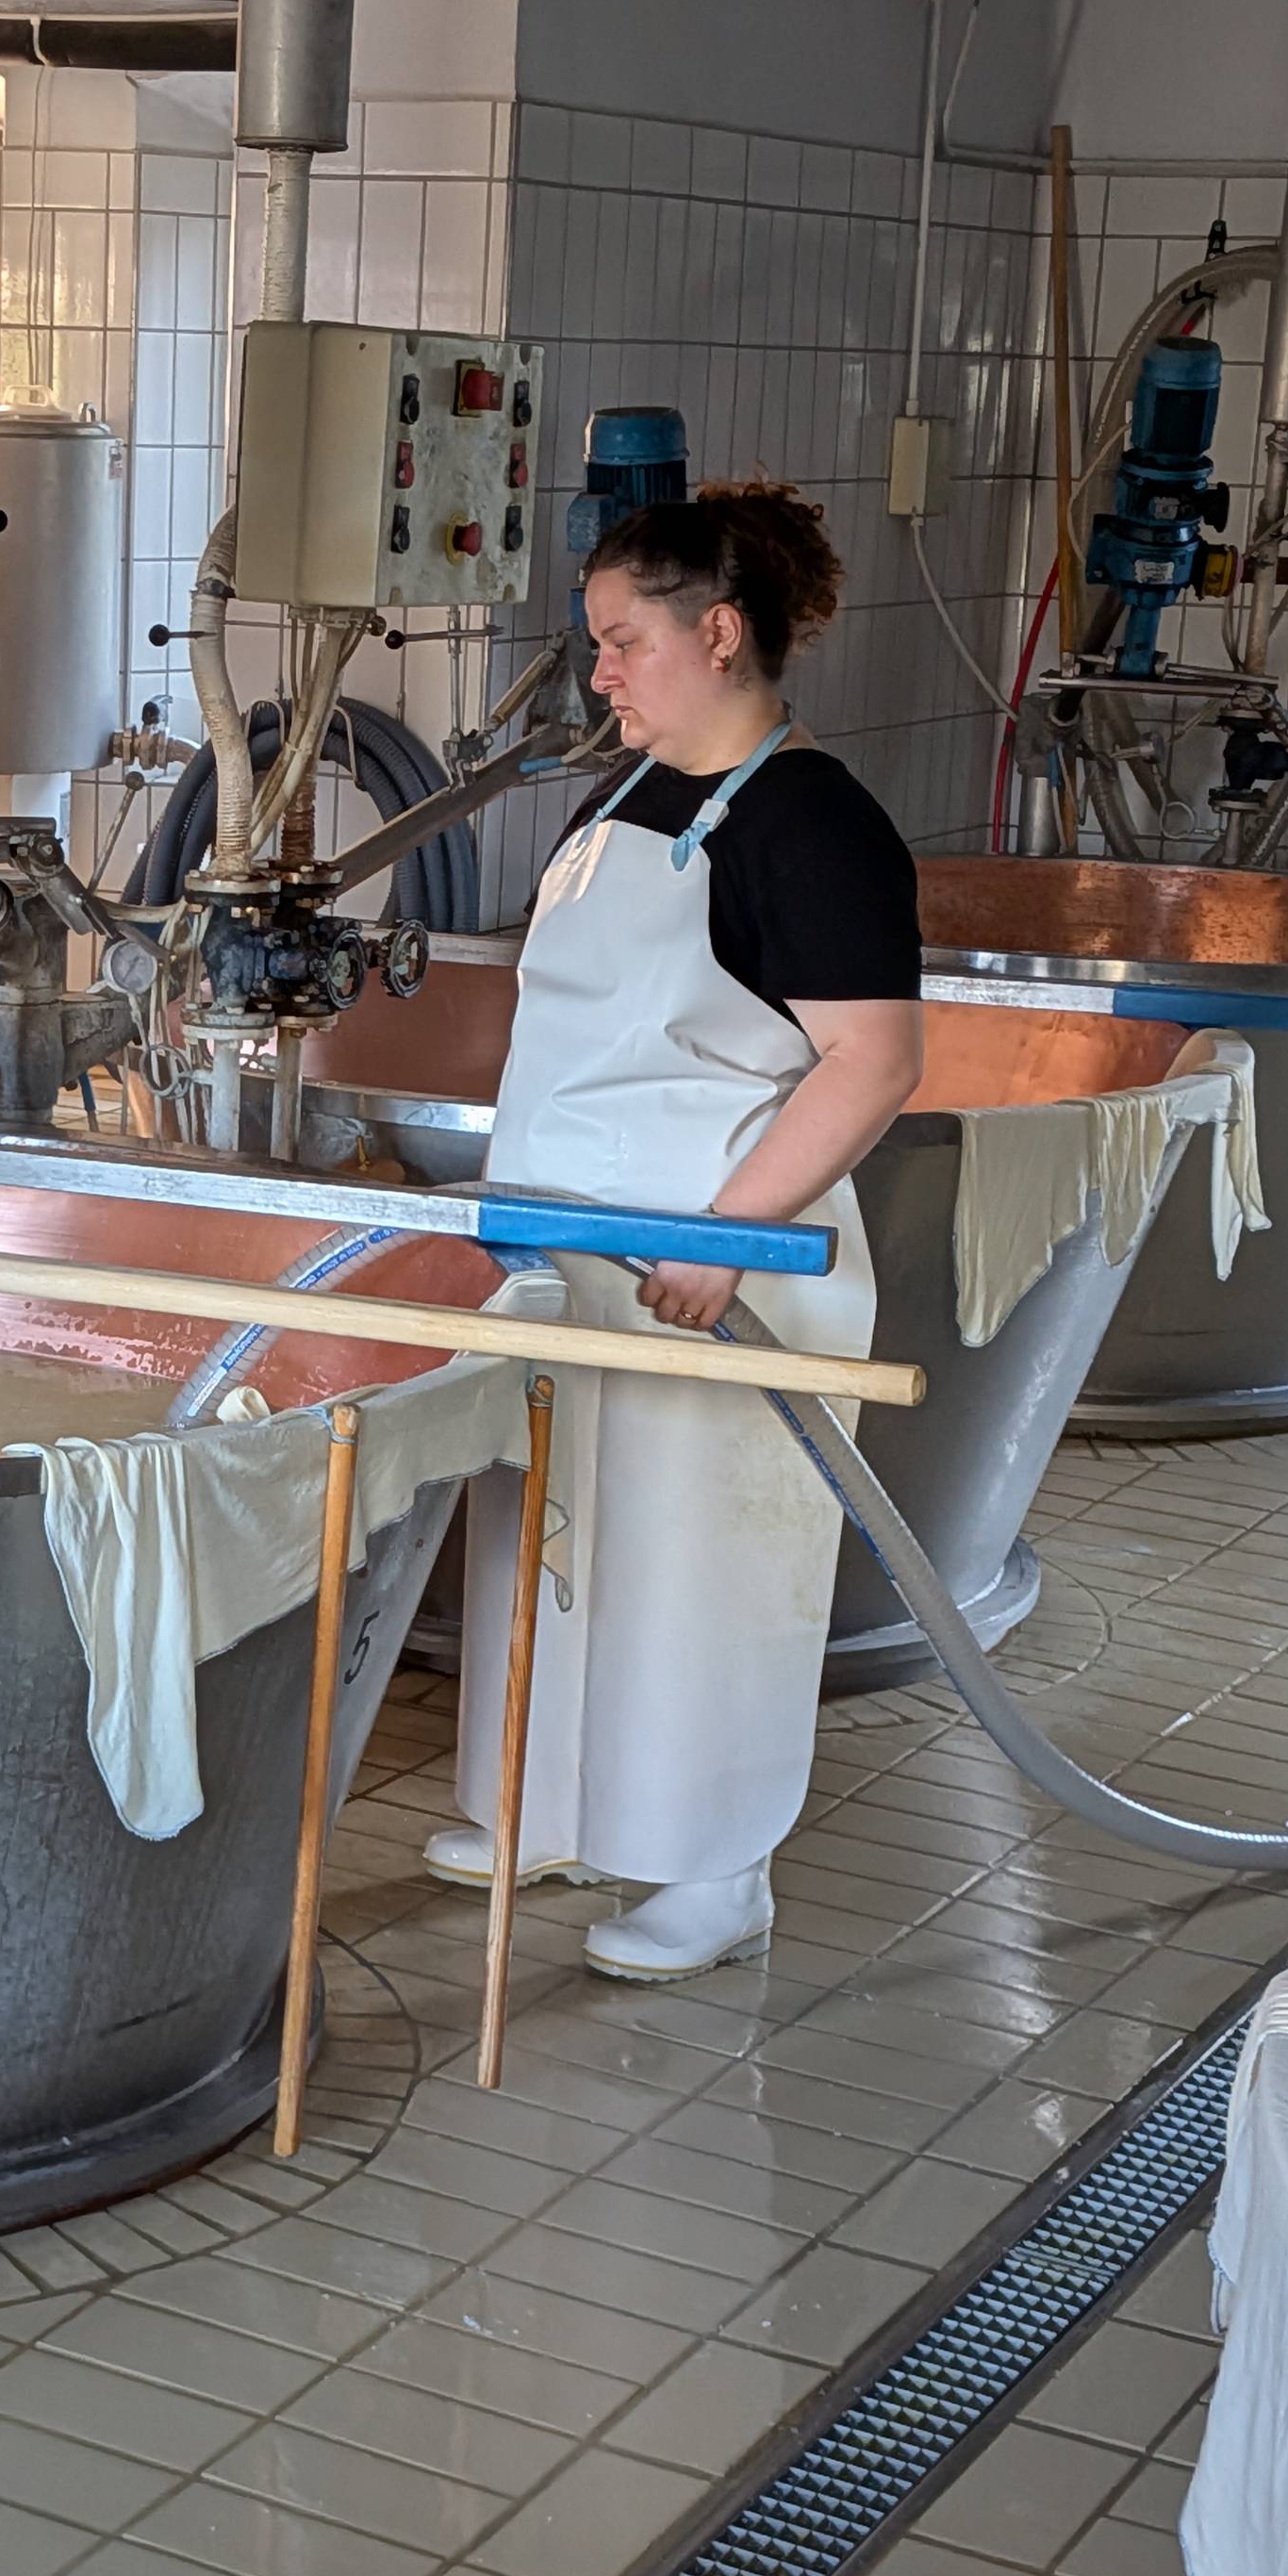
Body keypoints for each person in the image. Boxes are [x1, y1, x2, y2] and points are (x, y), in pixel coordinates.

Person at [425, 480, 925, 1980]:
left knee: (706, 1572)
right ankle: (548, 1806)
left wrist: (729, 1237)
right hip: (574, 1257)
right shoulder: (628, 797)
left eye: (620, 640)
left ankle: (716, 1870)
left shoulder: (814, 823)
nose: (599, 672)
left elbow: (876, 1064)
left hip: (721, 1274)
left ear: (717, 634)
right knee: (564, 1545)